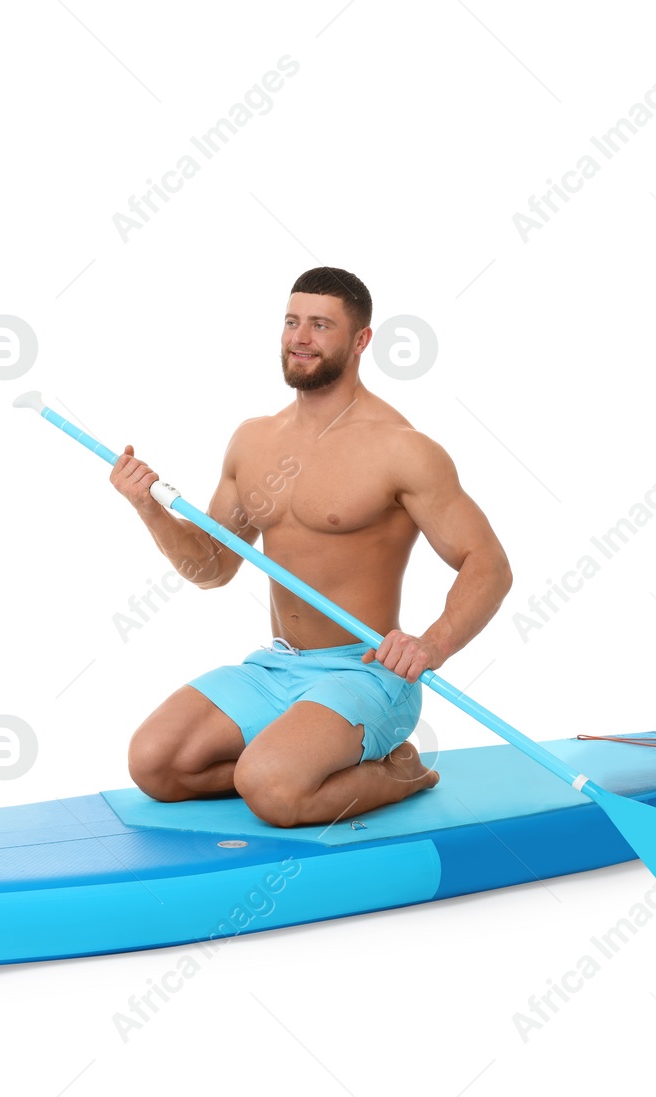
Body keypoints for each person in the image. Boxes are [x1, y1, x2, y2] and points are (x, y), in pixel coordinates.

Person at [111, 267, 512, 828]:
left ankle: (401, 771)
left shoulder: (402, 449)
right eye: (292, 321)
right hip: (276, 668)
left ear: (361, 340)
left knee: (272, 792)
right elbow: (212, 566)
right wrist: (148, 507)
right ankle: (289, 763)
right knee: (154, 765)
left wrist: (432, 645)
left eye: (320, 325)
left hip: (367, 672)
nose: (299, 337)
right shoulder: (253, 441)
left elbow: (489, 564)